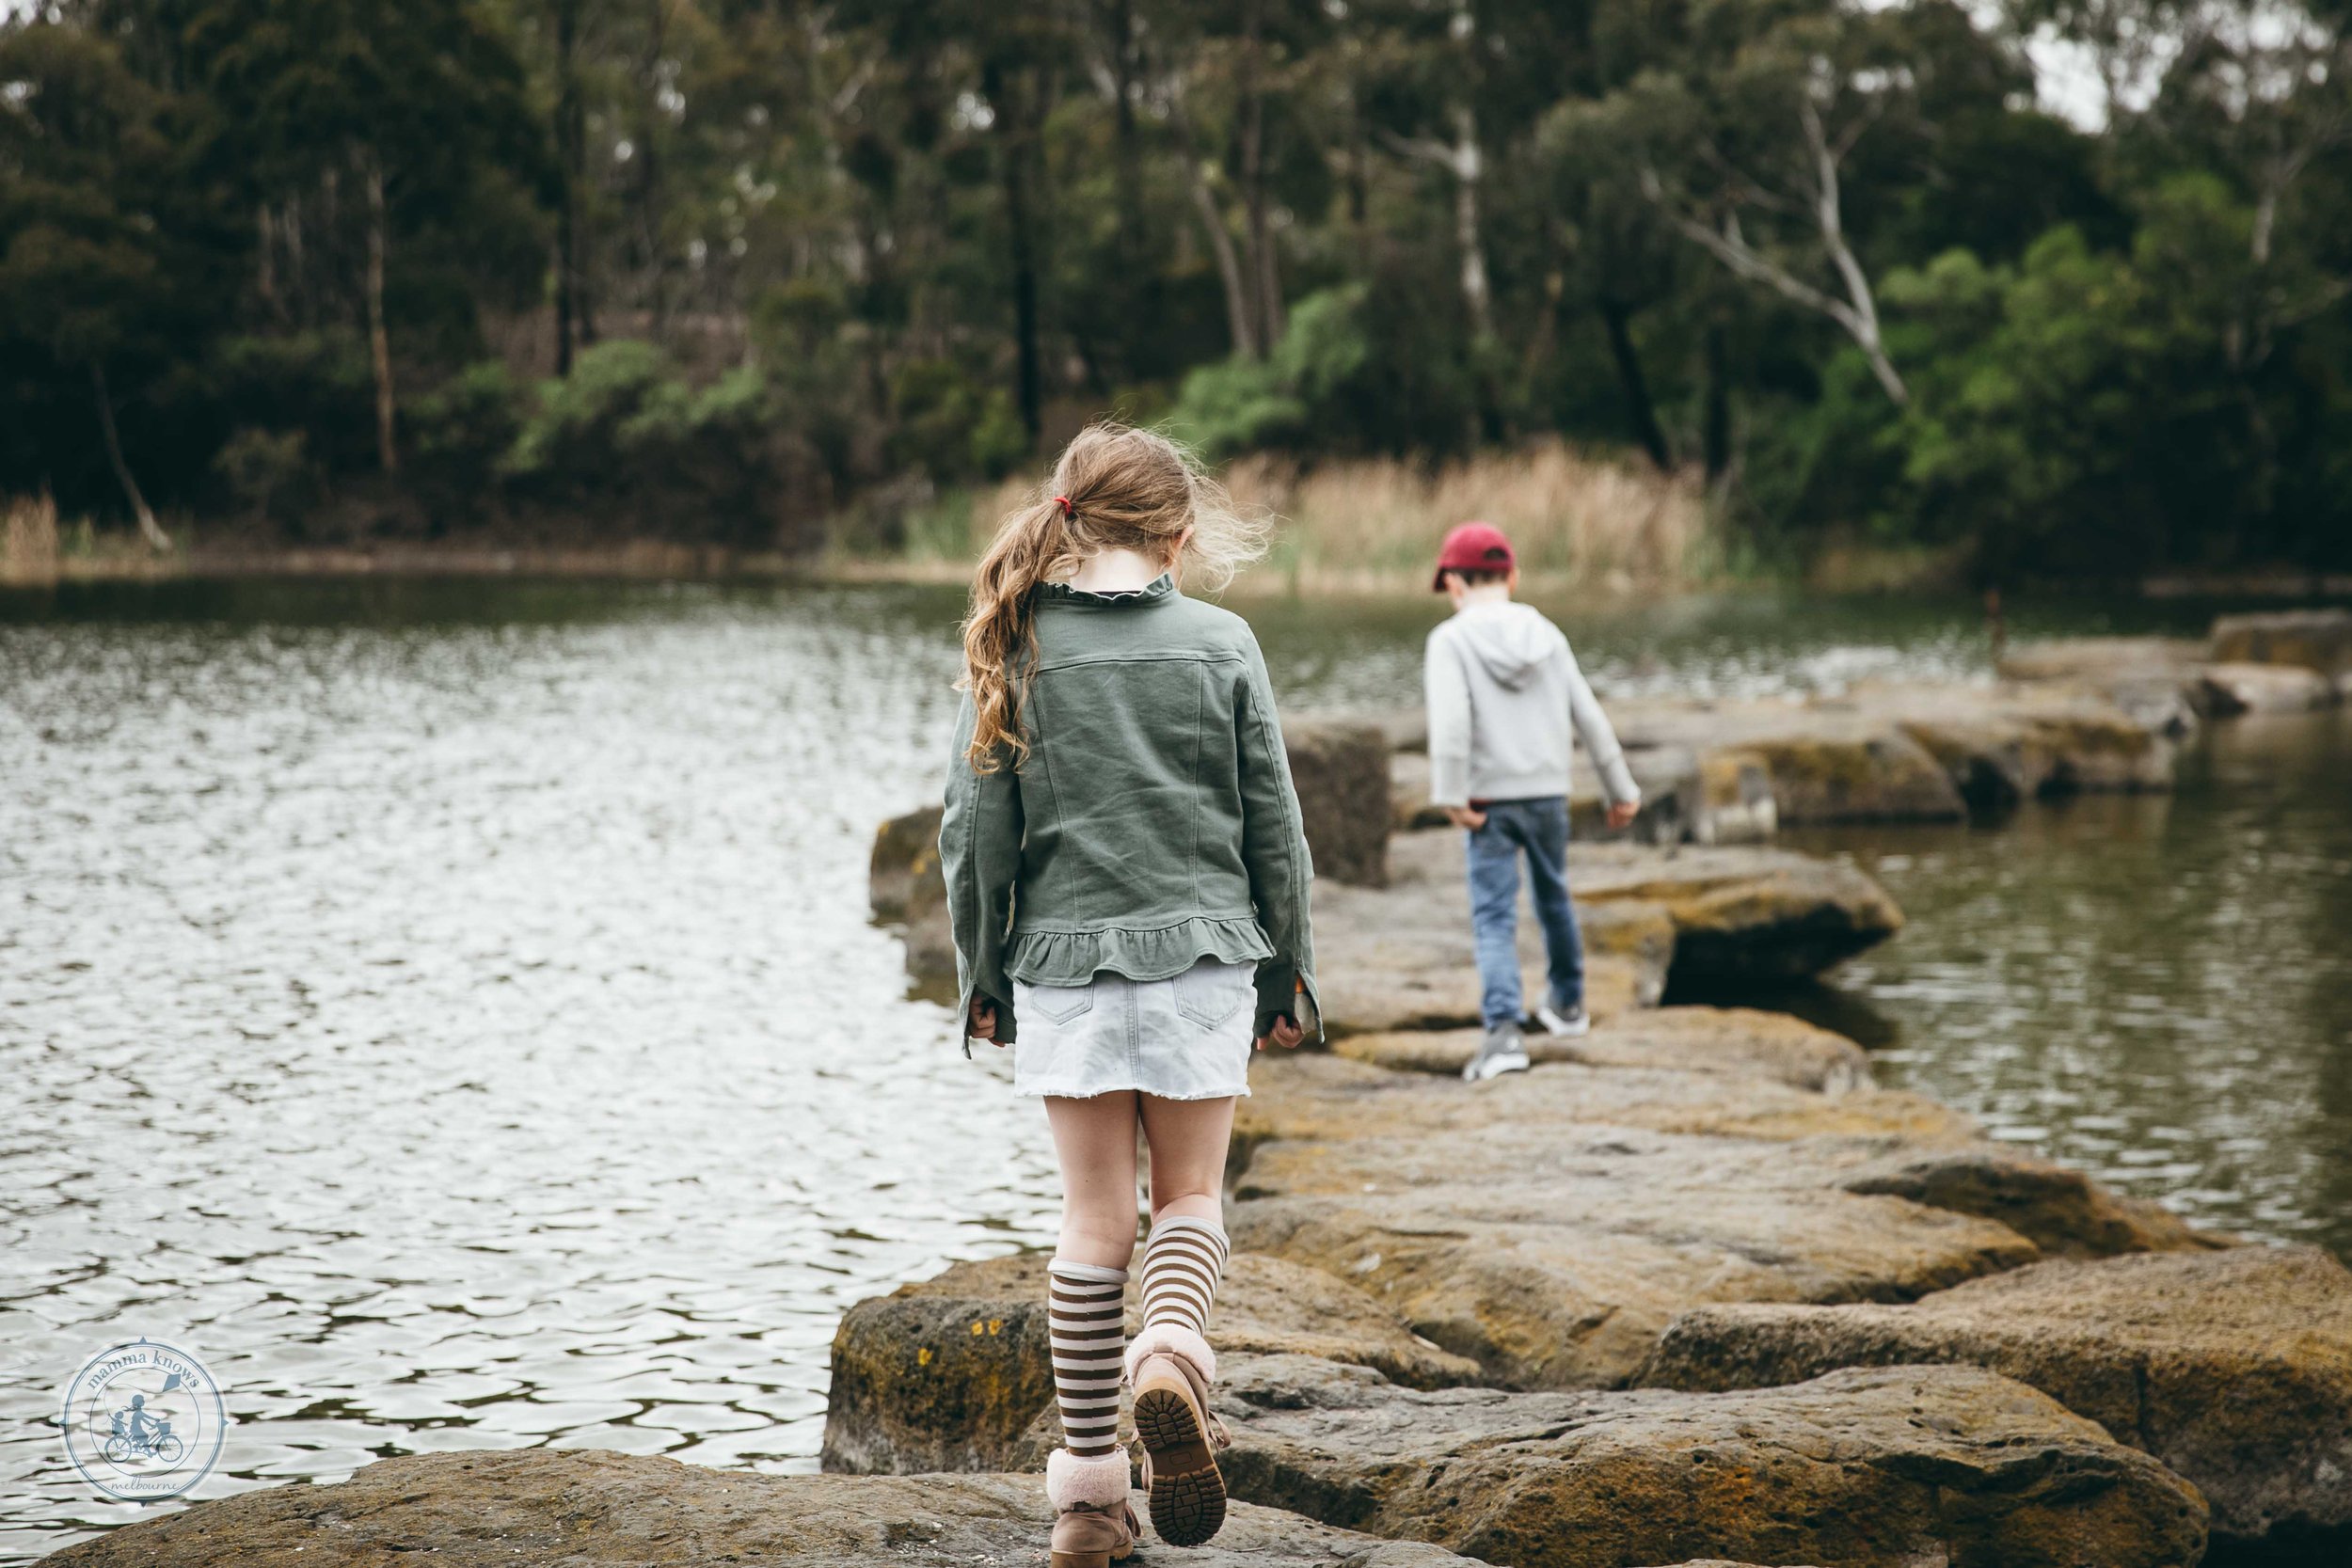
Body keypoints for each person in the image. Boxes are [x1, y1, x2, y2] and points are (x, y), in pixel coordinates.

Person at [940, 422, 1316, 1568]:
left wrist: (982, 975)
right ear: (1178, 534)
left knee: (1091, 1227)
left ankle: (1088, 1507)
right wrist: (1287, 967)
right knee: (1189, 1196)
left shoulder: (1018, 643)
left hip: (1061, 968)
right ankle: (1171, 1353)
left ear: (1064, 520)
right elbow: (1276, 825)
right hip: (1207, 958)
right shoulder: (1223, 642)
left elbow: (974, 837)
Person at [1422, 521, 1640, 1083]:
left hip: (1488, 799)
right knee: (1554, 896)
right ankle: (1568, 1006)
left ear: (1453, 583)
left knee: (1494, 915)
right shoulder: (1546, 632)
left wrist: (1449, 795)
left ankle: (1503, 1035)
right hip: (1548, 792)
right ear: (1513, 576)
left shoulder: (1451, 639)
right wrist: (1622, 790)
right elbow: (1588, 715)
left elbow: (1450, 726)